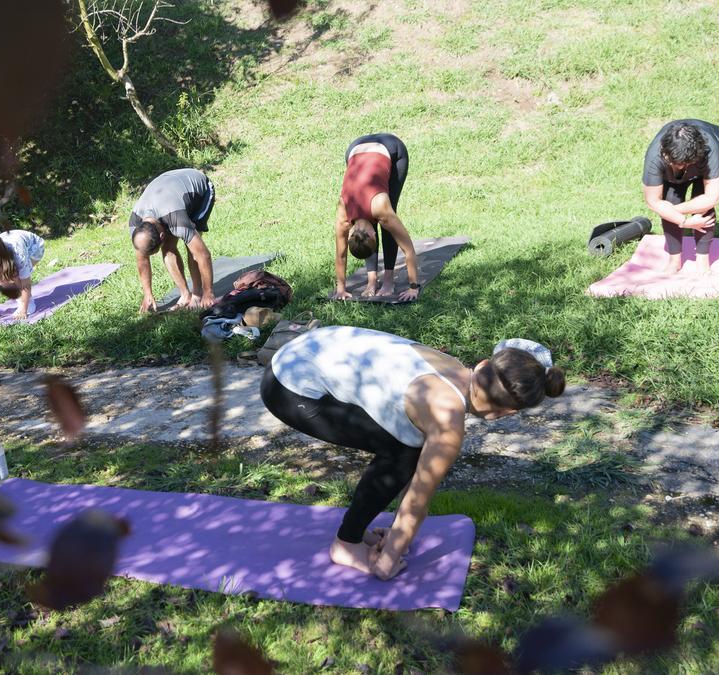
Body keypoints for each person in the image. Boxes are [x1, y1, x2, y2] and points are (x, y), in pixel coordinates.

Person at [261, 327, 565, 580]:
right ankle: (346, 545)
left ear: (484, 364)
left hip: (296, 352)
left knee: (407, 445)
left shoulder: (451, 366)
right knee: (400, 453)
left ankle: (356, 531)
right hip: (288, 386)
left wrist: (398, 536)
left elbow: (419, 474)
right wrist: (388, 559)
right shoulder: (447, 420)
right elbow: (418, 498)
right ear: (508, 412)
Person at [642, 119, 719, 276]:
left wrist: (673, 211)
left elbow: (713, 197)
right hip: (679, 157)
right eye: (675, 163)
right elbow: (652, 201)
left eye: (684, 164)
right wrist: (683, 220)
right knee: (670, 197)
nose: (679, 168)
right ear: (664, 152)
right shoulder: (655, 156)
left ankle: (702, 261)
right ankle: (674, 261)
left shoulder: (709, 149)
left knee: (701, 200)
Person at [332, 133, 419, 302]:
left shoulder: (380, 209)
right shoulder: (343, 215)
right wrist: (340, 289)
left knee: (389, 222)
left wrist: (413, 287)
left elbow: (408, 249)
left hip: (391, 147)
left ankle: (388, 281)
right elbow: (341, 254)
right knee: (381, 221)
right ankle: (372, 281)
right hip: (354, 148)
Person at [129, 168, 216, 313]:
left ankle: (197, 293)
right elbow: (141, 260)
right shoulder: (135, 224)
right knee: (168, 248)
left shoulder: (177, 218)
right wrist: (147, 293)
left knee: (192, 248)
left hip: (200, 190)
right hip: (168, 191)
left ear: (162, 235)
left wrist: (208, 292)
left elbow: (203, 255)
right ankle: (185, 294)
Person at [0, 229, 45, 323]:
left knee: (14, 275)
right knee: (2, 275)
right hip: (12, 246)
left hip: (35, 247)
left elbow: (26, 283)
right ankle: (22, 298)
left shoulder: (18, 253)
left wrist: (24, 310)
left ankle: (29, 304)